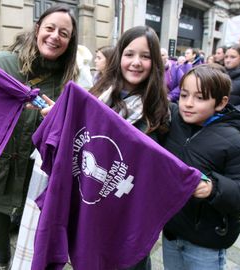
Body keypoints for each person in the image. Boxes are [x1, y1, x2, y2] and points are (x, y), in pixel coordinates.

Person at [0, 6, 78, 269]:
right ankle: (1, 263)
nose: (55, 36)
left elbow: (73, 135)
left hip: (35, 180)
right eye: (50, 28)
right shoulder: (2, 63)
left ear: (70, 42)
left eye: (64, 33)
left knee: (31, 238)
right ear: (37, 30)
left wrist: (59, 120)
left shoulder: (69, 83)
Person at [161, 64, 240, 269]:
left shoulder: (236, 141)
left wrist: (213, 188)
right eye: (184, 95)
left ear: (221, 102)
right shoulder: (173, 122)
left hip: (206, 242)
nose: (188, 104)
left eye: (200, 98)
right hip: (171, 232)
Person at [89, 25, 171, 269]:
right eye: (130, 54)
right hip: (93, 205)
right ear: (119, 57)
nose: (136, 62)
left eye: (145, 56)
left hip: (130, 215)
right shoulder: (96, 96)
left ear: (154, 62)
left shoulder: (161, 111)